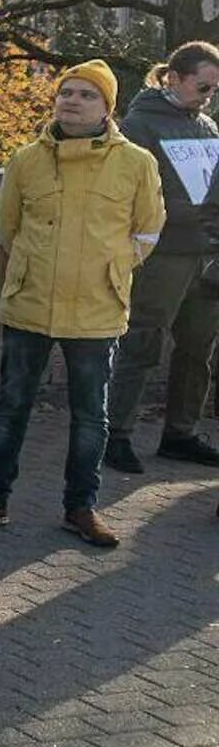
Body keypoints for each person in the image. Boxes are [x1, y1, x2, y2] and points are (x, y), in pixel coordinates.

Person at [0, 62, 163, 546]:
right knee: (11, 407)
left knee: (92, 414)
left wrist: (112, 265)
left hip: (97, 308)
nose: (71, 100)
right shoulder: (26, 160)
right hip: (30, 304)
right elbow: (7, 229)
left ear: (107, 107)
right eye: (65, 92)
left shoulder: (136, 163)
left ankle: (81, 507)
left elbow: (148, 229)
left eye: (86, 95)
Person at [104, 41, 219, 472]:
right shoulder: (140, 125)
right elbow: (129, 193)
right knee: (142, 342)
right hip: (165, 253)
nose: (208, 97)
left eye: (214, 90)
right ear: (174, 77)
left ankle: (181, 432)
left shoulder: (207, 125)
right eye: (203, 87)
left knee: (198, 347)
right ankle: (115, 434)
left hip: (206, 252)